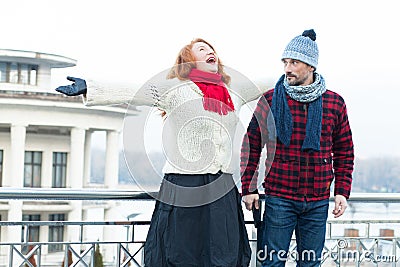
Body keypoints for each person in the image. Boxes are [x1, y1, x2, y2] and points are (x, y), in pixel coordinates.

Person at [56, 38, 267, 266]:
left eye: (211, 49)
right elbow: (134, 91)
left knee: (223, 256)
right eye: (202, 49)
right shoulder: (175, 89)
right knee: (180, 256)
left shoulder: (232, 91)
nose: (210, 51)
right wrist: (91, 87)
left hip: (221, 189)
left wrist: (302, 68)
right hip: (184, 186)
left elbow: (269, 83)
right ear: (189, 61)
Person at [240, 29, 354, 267]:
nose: (287, 68)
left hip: (318, 200)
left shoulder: (334, 102)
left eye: (294, 62)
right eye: (285, 62)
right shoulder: (270, 100)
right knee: (271, 263)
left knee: (310, 264)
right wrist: (248, 188)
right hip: (279, 197)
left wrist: (342, 191)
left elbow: (344, 152)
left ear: (311, 66)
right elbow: (251, 145)